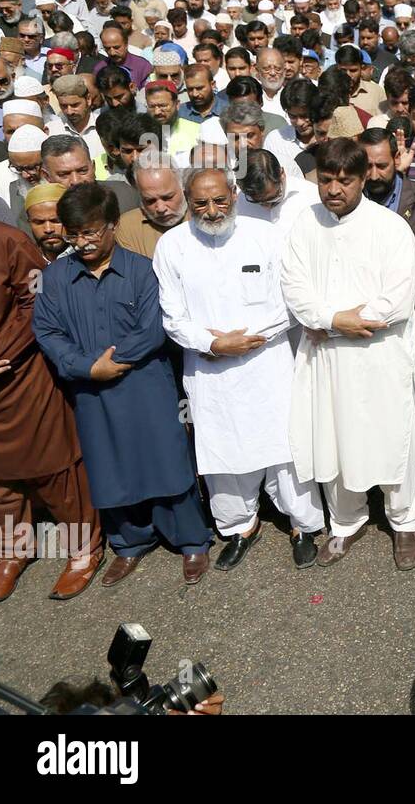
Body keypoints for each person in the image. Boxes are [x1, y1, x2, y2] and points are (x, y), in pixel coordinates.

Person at [31, 183, 212, 586]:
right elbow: (46, 330)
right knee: (108, 466)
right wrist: (86, 367)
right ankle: (129, 543)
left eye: (91, 232)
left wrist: (115, 361)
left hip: (145, 384)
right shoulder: (55, 278)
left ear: (113, 225)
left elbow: (155, 327)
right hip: (91, 391)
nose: (83, 242)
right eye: (74, 233)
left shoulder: (144, 270)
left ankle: (192, 541)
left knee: (166, 460)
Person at [154, 166, 325, 571]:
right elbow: (172, 315)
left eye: (219, 200)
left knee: (286, 448)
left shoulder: (266, 236)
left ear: (233, 194)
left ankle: (303, 525)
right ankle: (239, 527)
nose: (211, 210)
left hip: (267, 364)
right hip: (210, 371)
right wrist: (211, 343)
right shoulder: (172, 246)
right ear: (186, 200)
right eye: (200, 203)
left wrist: (246, 339)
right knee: (222, 453)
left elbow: (291, 303)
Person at [281, 138, 415, 571]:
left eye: (345, 180)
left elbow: (398, 298)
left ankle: (404, 521)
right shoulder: (304, 226)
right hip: (327, 356)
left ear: (364, 178)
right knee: (335, 437)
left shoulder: (389, 227)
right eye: (326, 180)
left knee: (391, 435)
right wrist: (331, 318)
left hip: (379, 352)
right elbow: (293, 287)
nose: (334, 189)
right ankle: (345, 521)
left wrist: (342, 321)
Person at [0, 220, 104, 603]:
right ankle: (10, 550)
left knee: (54, 469)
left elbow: (36, 299)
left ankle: (83, 549)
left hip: (19, 374)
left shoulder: (5, 240)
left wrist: (0, 355)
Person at [115, 160, 186, 258]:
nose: (161, 208)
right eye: (150, 201)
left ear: (183, 187)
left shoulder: (203, 216)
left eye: (167, 197)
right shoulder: (127, 228)